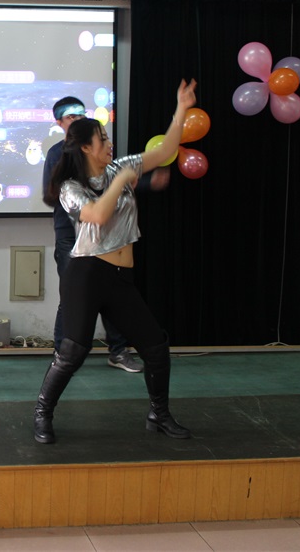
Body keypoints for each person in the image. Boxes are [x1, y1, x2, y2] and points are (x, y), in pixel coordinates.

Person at [33, 79, 197, 444]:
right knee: (73, 351)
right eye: (103, 139)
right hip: (86, 274)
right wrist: (122, 179)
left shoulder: (119, 167)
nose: (109, 144)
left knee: (155, 346)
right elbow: (97, 215)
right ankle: (42, 412)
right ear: (87, 147)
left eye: (107, 138)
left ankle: (159, 414)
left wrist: (182, 108)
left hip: (120, 277)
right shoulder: (70, 187)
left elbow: (166, 149)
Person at [42, 97, 170, 373]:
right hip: (73, 237)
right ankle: (62, 354)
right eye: (70, 116)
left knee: (114, 298)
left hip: (110, 240)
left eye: (80, 113)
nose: (77, 118)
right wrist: (85, 208)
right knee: (73, 301)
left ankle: (118, 351)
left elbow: (114, 185)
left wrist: (144, 183)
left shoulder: (109, 163)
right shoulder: (58, 157)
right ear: (59, 123)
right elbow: (63, 195)